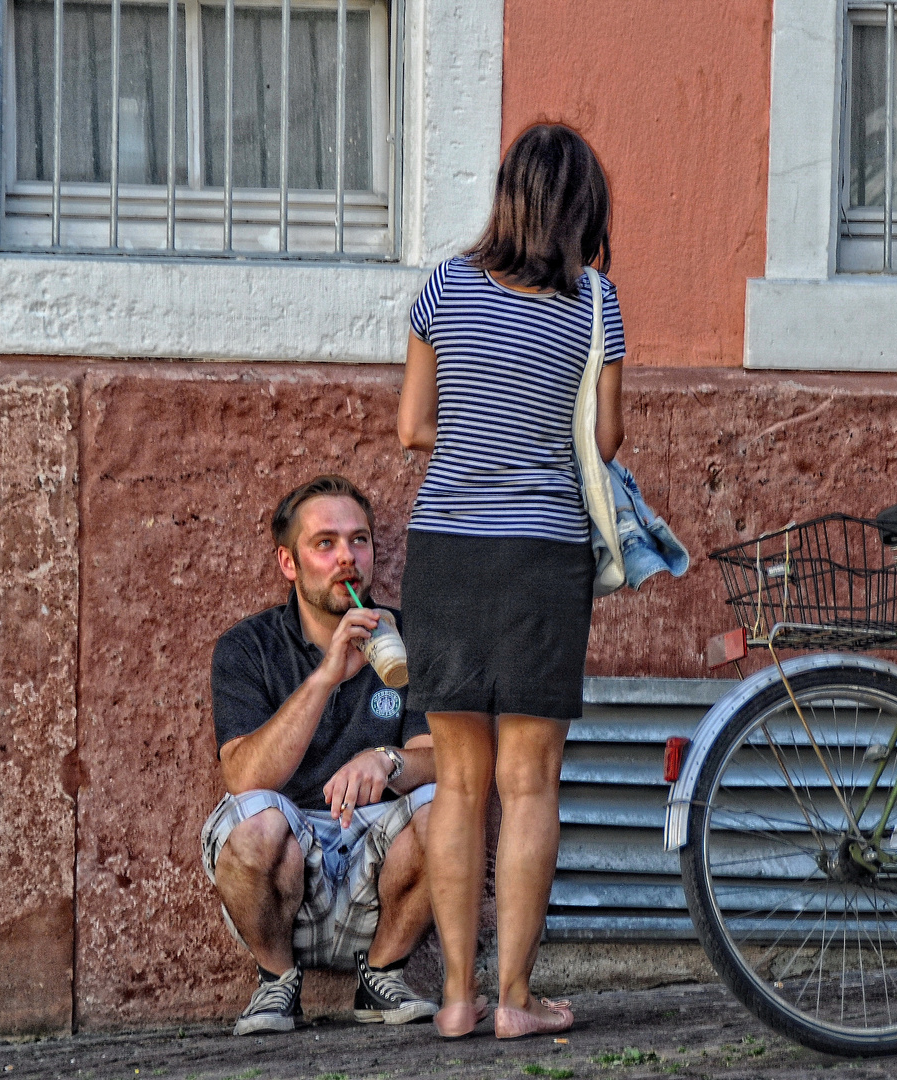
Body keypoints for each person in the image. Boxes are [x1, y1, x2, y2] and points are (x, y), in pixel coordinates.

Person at [396, 123, 625, 1040]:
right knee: (530, 783)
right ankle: (514, 1001)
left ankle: (453, 997)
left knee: (459, 782)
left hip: (447, 552)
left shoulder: (444, 287)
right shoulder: (595, 303)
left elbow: (414, 427)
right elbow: (603, 446)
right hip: (541, 556)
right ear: (581, 211)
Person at [201, 475, 440, 1036]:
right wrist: (328, 674)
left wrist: (387, 760)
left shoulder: (410, 639)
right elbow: (244, 777)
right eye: (325, 543)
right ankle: (277, 982)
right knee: (252, 818)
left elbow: (443, 760)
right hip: (287, 880)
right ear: (289, 563)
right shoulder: (246, 648)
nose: (347, 559)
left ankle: (381, 973)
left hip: (377, 864)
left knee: (448, 805)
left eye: (359, 541)